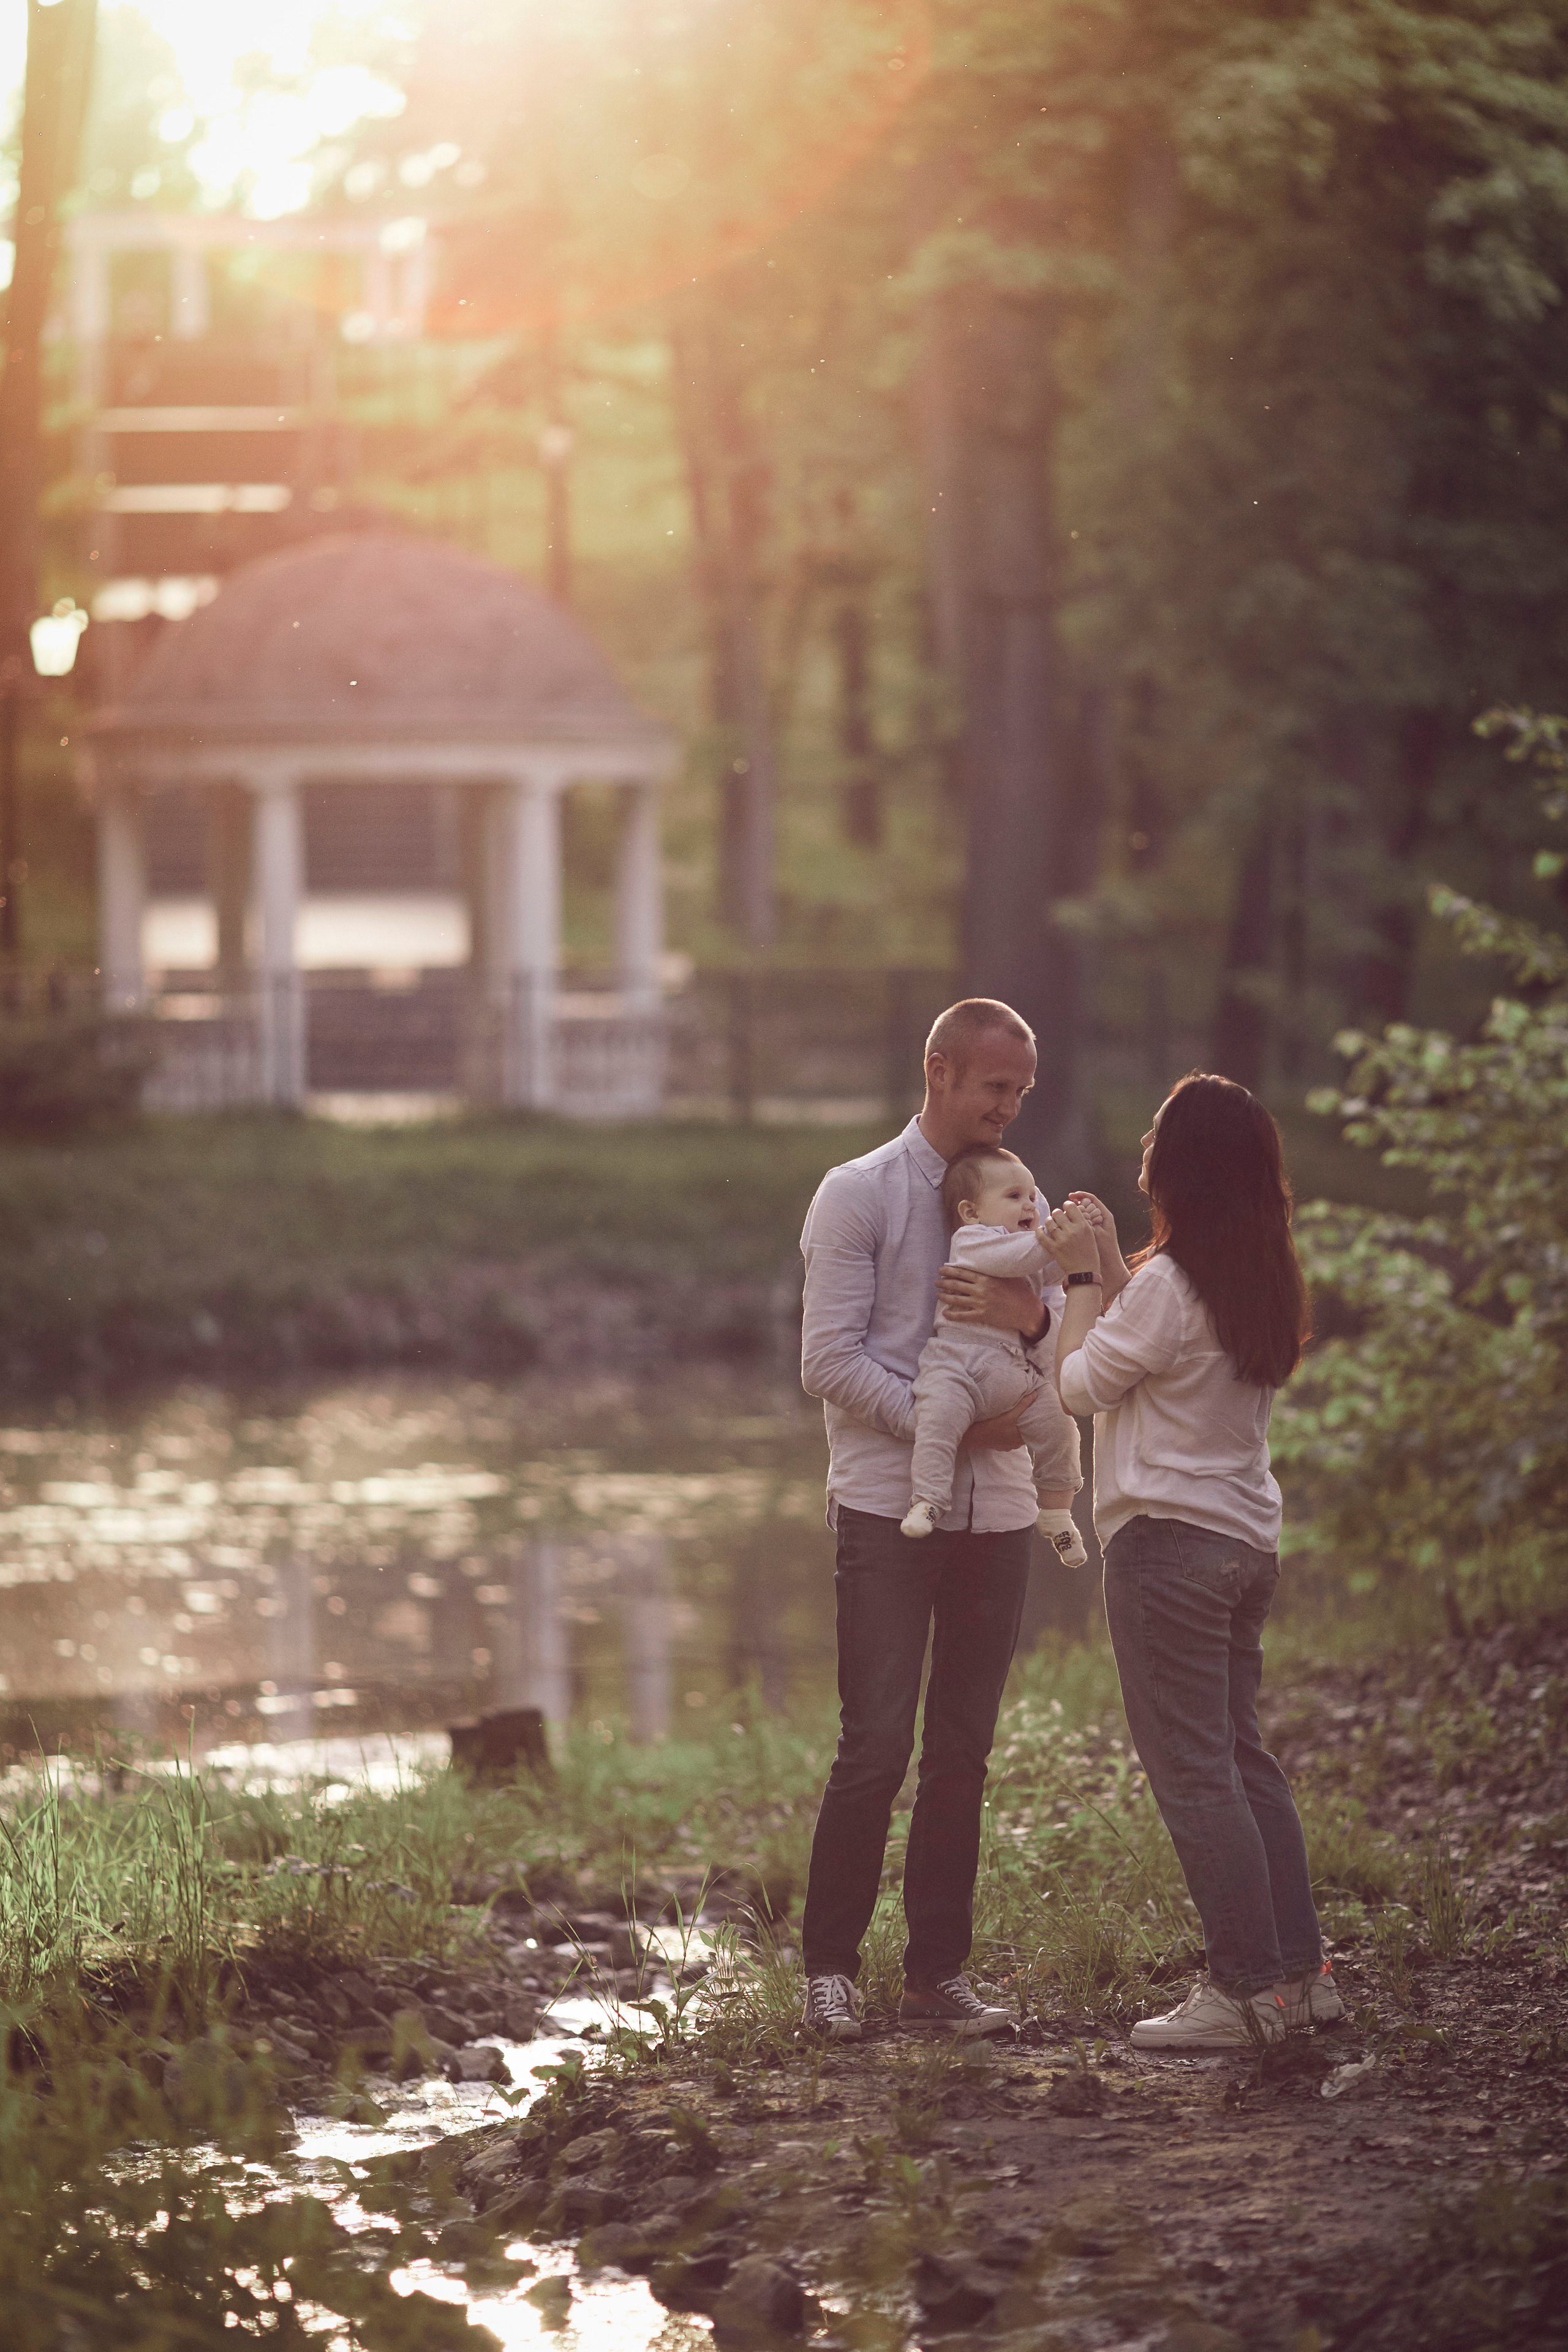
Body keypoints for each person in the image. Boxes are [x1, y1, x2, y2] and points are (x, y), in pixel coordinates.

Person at [797, 997, 1082, 2041]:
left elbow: (1056, 1349)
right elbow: (826, 1360)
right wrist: (945, 1426)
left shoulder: (1023, 1194)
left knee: (963, 1748)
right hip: (886, 1508)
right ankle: (830, 1970)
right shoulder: (856, 1194)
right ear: (941, 1072)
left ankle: (935, 1979)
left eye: (1021, 1093)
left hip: (1003, 1513)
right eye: (995, 1087)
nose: (1009, 1109)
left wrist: (1038, 1317)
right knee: (873, 1745)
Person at [1042, 1072, 1345, 2049]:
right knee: (1244, 1762)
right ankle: (1303, 1980)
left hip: (1168, 1549)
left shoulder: (1172, 1284)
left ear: (1180, 1168)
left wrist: (1083, 1278)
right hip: (1244, 1544)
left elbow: (1084, 1385)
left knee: (1196, 1775)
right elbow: (1155, 1348)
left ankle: (1245, 1992)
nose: (1141, 1153)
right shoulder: (1250, 1272)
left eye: (1155, 1140)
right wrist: (1105, 1258)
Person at [900, 1145, 1085, 1567]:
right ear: (970, 1211)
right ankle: (929, 1499)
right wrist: (1053, 1240)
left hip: (1015, 1374)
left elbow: (1059, 1268)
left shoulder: (1025, 1247)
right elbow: (1022, 1258)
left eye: (1033, 1195)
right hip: (956, 1369)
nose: (1031, 1204)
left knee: (1060, 1423)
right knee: (938, 1420)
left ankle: (1057, 1512)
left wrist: (1081, 1238)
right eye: (1015, 1196)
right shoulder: (973, 1242)